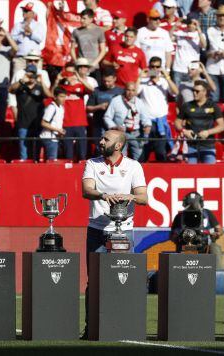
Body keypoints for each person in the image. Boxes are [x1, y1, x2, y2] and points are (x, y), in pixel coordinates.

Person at [80, 129, 148, 338]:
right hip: (97, 230)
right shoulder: (92, 163)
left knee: (124, 278)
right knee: (94, 282)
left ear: (118, 145)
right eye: (101, 138)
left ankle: (126, 325)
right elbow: (86, 190)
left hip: (124, 231)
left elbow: (143, 198)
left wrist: (129, 196)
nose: (101, 141)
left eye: (106, 139)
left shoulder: (133, 166)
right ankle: (91, 327)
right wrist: (104, 195)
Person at [176, 81, 224, 163]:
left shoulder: (213, 106)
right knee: (190, 173)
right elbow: (177, 122)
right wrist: (184, 131)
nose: (194, 93)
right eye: (193, 91)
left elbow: (222, 126)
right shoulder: (186, 106)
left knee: (210, 174)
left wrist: (208, 132)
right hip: (191, 146)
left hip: (208, 146)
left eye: (197, 91)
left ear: (204, 92)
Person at [169, 191, 223, 267]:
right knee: (179, 249)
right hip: (185, 245)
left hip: (205, 245)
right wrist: (180, 236)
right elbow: (172, 236)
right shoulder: (179, 216)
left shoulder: (207, 213)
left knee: (215, 248)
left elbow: (219, 230)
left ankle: (218, 275)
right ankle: (177, 273)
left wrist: (215, 234)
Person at [10, 64, 51, 160]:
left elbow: (49, 95)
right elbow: (10, 89)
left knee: (36, 152)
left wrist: (42, 82)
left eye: (33, 74)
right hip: (23, 124)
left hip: (36, 124)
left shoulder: (39, 87)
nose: (31, 76)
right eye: (29, 74)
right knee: (23, 153)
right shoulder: (20, 86)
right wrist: (21, 81)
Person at [137, 62, 177, 162]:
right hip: (147, 123)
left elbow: (176, 92)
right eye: (152, 67)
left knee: (161, 152)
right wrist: (139, 77)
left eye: (157, 67)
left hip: (161, 123)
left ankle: (163, 174)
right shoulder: (143, 81)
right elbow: (133, 92)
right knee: (143, 152)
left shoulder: (164, 81)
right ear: (149, 67)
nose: (155, 69)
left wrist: (167, 76)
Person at [55, 60, 94, 161]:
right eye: (67, 73)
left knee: (82, 153)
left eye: (72, 73)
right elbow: (51, 95)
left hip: (80, 123)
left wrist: (80, 79)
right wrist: (57, 80)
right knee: (68, 154)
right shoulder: (62, 88)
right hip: (66, 123)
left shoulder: (80, 86)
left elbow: (91, 90)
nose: (70, 76)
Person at [103, 82, 150, 159]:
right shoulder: (116, 100)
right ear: (124, 90)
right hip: (120, 134)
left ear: (136, 91)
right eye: (128, 90)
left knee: (139, 159)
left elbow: (145, 118)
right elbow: (107, 117)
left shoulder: (139, 102)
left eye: (133, 90)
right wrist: (114, 127)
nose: (130, 93)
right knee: (121, 158)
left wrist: (147, 125)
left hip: (136, 134)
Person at [205, 6, 224, 103]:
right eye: (220, 16)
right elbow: (204, 52)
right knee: (213, 98)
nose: (222, 18)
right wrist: (212, 54)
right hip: (212, 68)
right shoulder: (209, 31)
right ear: (216, 17)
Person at [87, 68, 124, 145]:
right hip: (99, 125)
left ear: (114, 79)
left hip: (115, 125)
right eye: (104, 81)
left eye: (109, 81)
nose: (106, 83)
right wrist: (99, 107)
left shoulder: (121, 91)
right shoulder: (96, 90)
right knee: (100, 148)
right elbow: (88, 108)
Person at [71, 9, 107, 77]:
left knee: (95, 87)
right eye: (81, 18)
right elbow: (72, 49)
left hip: (94, 67)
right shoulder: (76, 31)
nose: (81, 20)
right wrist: (76, 61)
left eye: (84, 18)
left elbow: (103, 50)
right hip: (81, 66)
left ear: (91, 19)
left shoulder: (99, 31)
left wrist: (94, 63)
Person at [11, 3, 46, 71]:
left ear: (33, 14)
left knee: (35, 80)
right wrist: (22, 35)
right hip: (20, 59)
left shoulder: (39, 25)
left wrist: (31, 33)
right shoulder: (18, 25)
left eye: (26, 11)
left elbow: (40, 39)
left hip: (35, 60)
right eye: (23, 10)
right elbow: (12, 39)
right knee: (17, 79)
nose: (24, 12)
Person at [171, 18, 206, 86]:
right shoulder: (180, 33)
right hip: (178, 68)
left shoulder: (200, 35)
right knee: (177, 94)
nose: (191, 25)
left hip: (192, 70)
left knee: (192, 93)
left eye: (194, 24)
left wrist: (198, 29)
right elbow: (168, 38)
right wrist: (175, 26)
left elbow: (204, 45)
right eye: (189, 23)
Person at [40, 87, 67, 161]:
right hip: (49, 138)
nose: (63, 99)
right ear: (55, 97)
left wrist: (59, 131)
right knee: (51, 162)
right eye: (61, 96)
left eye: (65, 96)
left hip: (54, 138)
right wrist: (58, 130)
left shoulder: (61, 108)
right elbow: (43, 123)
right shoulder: (51, 108)